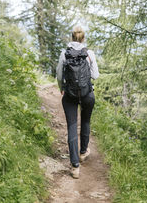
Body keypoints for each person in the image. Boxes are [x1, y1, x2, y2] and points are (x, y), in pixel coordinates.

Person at [56, 26, 99, 179]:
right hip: (87, 93)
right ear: (83, 38)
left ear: (72, 38)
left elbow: (59, 75)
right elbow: (95, 75)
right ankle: (83, 153)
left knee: (72, 127)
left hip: (70, 95)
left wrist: (62, 88)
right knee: (86, 121)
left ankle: (75, 167)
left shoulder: (64, 53)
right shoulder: (89, 53)